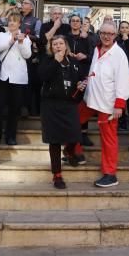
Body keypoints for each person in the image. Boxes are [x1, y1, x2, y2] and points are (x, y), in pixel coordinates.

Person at [66, 20, 129, 187]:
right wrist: (87, 81)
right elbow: (96, 71)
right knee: (73, 120)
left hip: (109, 103)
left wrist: (119, 104)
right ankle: (76, 152)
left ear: (115, 35)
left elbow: (123, 81)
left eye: (110, 34)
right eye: (103, 33)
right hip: (90, 97)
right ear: (99, 34)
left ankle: (110, 174)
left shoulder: (119, 54)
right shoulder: (96, 49)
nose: (106, 36)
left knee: (108, 139)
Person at [39, 35, 86, 189]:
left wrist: (80, 86)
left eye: (61, 43)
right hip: (51, 104)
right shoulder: (47, 60)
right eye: (55, 44)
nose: (58, 46)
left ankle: (69, 151)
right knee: (54, 140)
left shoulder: (74, 62)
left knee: (75, 134)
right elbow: (42, 77)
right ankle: (57, 175)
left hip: (69, 104)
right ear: (51, 47)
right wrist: (56, 61)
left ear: (66, 46)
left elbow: (79, 79)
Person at [0, 11, 32, 145]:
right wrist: (11, 40)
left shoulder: (25, 37)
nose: (11, 23)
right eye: (10, 21)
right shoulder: (2, 35)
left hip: (18, 78)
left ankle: (11, 136)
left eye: (14, 21)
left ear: (19, 23)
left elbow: (27, 55)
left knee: (15, 109)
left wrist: (21, 42)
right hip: (3, 76)